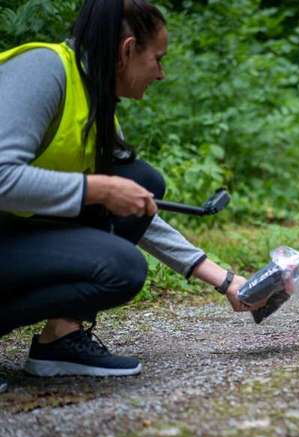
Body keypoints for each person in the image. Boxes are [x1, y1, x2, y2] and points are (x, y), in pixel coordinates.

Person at [0, 0, 255, 392]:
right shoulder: (43, 71)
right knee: (122, 232)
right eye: (158, 59)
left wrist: (226, 281)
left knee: (139, 184)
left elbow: (139, 206)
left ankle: (61, 341)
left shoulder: (95, 104)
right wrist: (97, 188)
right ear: (127, 50)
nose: (162, 73)